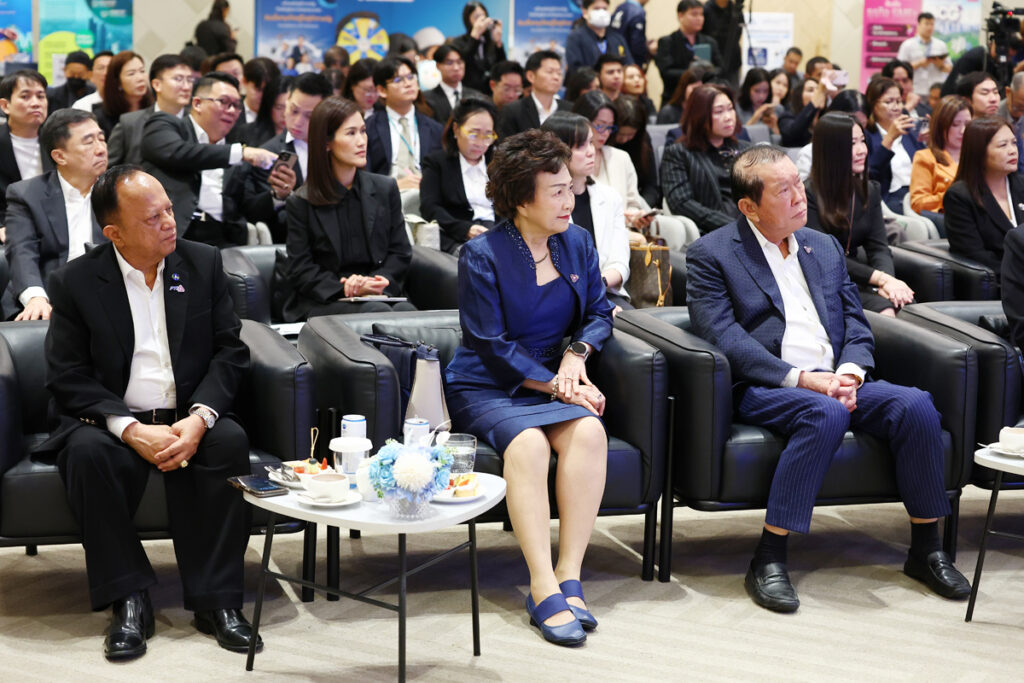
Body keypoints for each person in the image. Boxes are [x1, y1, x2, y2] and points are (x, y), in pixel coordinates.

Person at [686, 144, 971, 614]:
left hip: (838, 378)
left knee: (916, 404)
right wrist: (805, 380)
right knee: (825, 411)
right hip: (767, 385)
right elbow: (725, 338)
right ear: (749, 207)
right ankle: (768, 556)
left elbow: (857, 323)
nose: (800, 196)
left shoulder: (822, 246)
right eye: (784, 190)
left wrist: (849, 373)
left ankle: (927, 549)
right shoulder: (711, 254)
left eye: (798, 184)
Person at [40, 164, 259, 660]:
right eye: (152, 217)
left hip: (188, 413)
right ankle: (129, 600)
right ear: (113, 233)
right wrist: (129, 428)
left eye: (168, 209)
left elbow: (230, 351)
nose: (169, 222)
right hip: (112, 420)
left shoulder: (202, 262)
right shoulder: (75, 281)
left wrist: (199, 419)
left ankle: (218, 602)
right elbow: (67, 374)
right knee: (87, 455)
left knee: (228, 442)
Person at [444, 128, 613, 647]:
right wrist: (560, 387)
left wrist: (575, 355)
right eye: (557, 192)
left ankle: (569, 576)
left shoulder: (576, 242)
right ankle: (541, 585)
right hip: (487, 382)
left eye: (570, 188)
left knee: (590, 434)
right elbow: (490, 344)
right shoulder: (482, 254)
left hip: (553, 376)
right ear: (522, 199)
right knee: (530, 445)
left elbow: (600, 313)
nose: (570, 200)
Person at [282, 97, 414, 321]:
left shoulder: (385, 189)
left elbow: (400, 252)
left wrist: (378, 281)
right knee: (376, 312)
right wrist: (347, 288)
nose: (361, 141)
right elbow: (301, 269)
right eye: (351, 133)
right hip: (327, 298)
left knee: (407, 312)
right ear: (326, 142)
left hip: (377, 292)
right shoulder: (301, 202)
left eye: (363, 131)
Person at [141, 72, 278, 247]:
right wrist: (240, 153)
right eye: (224, 102)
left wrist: (277, 194)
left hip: (223, 238)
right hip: (177, 231)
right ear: (197, 103)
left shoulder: (236, 150)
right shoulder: (166, 125)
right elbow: (179, 153)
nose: (232, 111)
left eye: (236, 105)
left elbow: (248, 208)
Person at [804, 113, 913, 316]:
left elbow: (879, 248)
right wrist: (880, 279)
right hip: (825, 283)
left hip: (861, 278)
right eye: (852, 143)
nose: (862, 150)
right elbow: (824, 257)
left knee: (903, 302)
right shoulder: (807, 195)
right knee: (887, 311)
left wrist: (888, 283)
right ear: (831, 149)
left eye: (862, 141)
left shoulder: (869, 190)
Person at [4, 109, 107, 321]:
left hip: (105, 296)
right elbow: (22, 251)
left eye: (102, 139)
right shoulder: (27, 194)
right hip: (50, 296)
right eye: (89, 142)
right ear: (60, 156)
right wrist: (36, 298)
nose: (101, 149)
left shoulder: (119, 191)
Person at [542, 112, 631, 309]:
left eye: (591, 142)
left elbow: (620, 262)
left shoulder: (610, 197)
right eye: (580, 146)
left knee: (633, 322)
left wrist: (598, 285)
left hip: (606, 290)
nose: (591, 152)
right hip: (562, 297)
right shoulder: (544, 202)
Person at [242, 72, 332, 242]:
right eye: (294, 110)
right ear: (287, 101)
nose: (298, 121)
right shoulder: (269, 153)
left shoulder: (336, 146)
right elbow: (253, 211)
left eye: (309, 116)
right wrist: (278, 196)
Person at [661, 84, 748, 234]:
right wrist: (731, 226)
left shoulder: (746, 150)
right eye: (719, 111)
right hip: (711, 231)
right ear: (699, 116)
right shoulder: (678, 153)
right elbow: (681, 202)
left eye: (730, 108)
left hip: (753, 227)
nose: (728, 117)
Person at [944, 116, 1024, 279]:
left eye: (1014, 143)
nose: (1012, 150)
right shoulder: (959, 197)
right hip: (1002, 281)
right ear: (979, 152)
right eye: (1003, 145)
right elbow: (974, 255)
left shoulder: (1021, 184)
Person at [421, 98, 499, 254]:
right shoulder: (437, 163)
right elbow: (430, 207)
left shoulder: (499, 164)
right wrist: (465, 229)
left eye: (488, 136)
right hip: (457, 237)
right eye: (474, 134)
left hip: (497, 235)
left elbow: (512, 207)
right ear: (456, 130)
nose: (480, 143)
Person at [365, 56, 443, 191]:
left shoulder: (435, 129)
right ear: (382, 90)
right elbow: (365, 176)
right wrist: (393, 186)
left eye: (411, 77)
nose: (408, 84)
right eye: (398, 80)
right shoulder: (369, 128)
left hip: (425, 194)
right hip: (386, 195)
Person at [107, 54, 193, 167]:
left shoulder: (197, 120)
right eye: (178, 79)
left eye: (190, 80)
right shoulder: (130, 123)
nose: (186, 87)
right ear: (157, 84)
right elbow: (109, 168)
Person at [909, 95, 971, 233]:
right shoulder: (926, 157)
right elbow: (918, 203)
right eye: (955, 125)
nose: (963, 131)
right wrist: (953, 195)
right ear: (941, 125)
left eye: (968, 124)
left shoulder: (979, 155)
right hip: (952, 222)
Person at [0, 70, 51, 237]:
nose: (35, 103)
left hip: (52, 228)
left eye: (40, 96)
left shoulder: (57, 142)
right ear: (5, 106)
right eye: (25, 96)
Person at [864, 76, 924, 213]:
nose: (896, 107)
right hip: (889, 200)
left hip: (916, 195)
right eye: (889, 102)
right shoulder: (867, 135)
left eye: (899, 101)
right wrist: (889, 139)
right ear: (873, 104)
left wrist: (932, 143)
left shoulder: (909, 132)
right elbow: (869, 176)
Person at [655, 0, 722, 101]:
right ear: (680, 16)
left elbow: (720, 68)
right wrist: (693, 72)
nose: (699, 18)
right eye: (694, 14)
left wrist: (707, 71)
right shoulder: (667, 42)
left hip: (704, 98)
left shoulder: (710, 42)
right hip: (674, 97)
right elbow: (666, 72)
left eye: (701, 14)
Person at [496, 50, 570, 139]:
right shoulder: (513, 111)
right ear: (531, 76)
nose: (556, 77)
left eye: (559, 73)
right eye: (550, 72)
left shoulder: (570, 110)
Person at [611, 94, 662, 210]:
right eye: (621, 134)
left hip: (637, 205)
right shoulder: (604, 143)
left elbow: (651, 186)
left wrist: (640, 210)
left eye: (630, 134)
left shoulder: (642, 141)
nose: (624, 139)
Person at [451, 2, 507, 95]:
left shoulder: (490, 42)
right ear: (468, 20)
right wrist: (475, 36)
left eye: (483, 16)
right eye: (476, 17)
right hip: (468, 92)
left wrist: (498, 43)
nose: (481, 21)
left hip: (490, 93)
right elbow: (464, 62)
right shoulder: (459, 42)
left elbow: (502, 68)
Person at [566, 0, 634, 76]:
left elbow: (628, 64)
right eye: (596, 8)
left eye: (605, 9)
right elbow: (575, 68)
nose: (601, 12)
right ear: (585, 12)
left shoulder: (617, 38)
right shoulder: (576, 38)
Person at [94, 51, 153, 139]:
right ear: (117, 82)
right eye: (131, 74)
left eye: (142, 71)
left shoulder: (155, 109)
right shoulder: (101, 117)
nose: (140, 78)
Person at [422, 44, 484, 125]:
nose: (456, 68)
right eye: (449, 63)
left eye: (459, 62)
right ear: (438, 65)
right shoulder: (427, 99)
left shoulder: (476, 96)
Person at [897, 12, 952, 98]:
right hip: (915, 90)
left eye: (932, 24)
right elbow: (899, 69)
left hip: (936, 91)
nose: (929, 27)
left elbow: (950, 69)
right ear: (918, 25)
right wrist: (919, 63)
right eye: (926, 24)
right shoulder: (907, 45)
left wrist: (940, 65)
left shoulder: (941, 45)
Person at [701, 0, 742, 85]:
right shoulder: (706, 10)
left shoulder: (735, 9)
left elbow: (738, 34)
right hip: (712, 64)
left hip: (733, 62)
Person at [777, 75, 825, 147]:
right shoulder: (787, 116)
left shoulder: (826, 117)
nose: (817, 94)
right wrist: (813, 104)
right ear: (799, 96)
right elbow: (793, 132)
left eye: (819, 91)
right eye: (811, 90)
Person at [736, 67, 780, 139]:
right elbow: (738, 139)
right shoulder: (737, 109)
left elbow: (779, 142)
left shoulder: (777, 109)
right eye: (757, 91)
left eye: (765, 91)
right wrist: (754, 119)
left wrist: (774, 127)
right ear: (748, 89)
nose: (761, 96)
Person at [610, 0, 654, 68]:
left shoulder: (621, 7)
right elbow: (637, 43)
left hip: (614, 54)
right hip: (630, 59)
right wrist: (644, 55)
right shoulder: (637, 12)